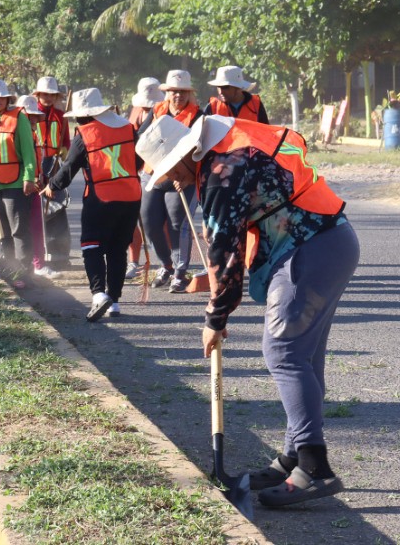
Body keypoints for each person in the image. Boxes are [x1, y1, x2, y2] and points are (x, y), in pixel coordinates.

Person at [136, 114, 359, 507]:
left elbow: (225, 252)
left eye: (171, 170)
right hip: (330, 240)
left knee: (284, 353)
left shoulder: (221, 172)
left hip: (310, 248)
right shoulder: (226, 147)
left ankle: (314, 466)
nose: (171, 180)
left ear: (187, 153)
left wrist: (215, 318)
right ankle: (293, 457)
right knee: (302, 356)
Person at [43, 88, 141, 321]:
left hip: (101, 197)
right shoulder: (129, 128)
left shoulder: (85, 133)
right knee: (118, 249)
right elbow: (138, 160)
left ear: (86, 116)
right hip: (131, 196)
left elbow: (69, 168)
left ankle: (98, 294)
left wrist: (52, 187)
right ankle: (114, 301)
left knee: (91, 245)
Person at [138, 70, 203, 293]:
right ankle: (165, 264)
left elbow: (201, 149)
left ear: (189, 94)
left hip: (182, 178)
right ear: (167, 93)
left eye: (183, 92)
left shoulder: (198, 115)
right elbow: (142, 137)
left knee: (178, 223)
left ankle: (179, 272)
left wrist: (187, 177)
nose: (178, 96)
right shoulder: (157, 110)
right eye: (174, 91)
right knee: (149, 221)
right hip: (153, 172)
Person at [0, 81, 37, 288]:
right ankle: (7, 266)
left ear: (7, 99)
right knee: (0, 230)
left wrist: (29, 177)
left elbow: (29, 151)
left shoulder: (19, 119)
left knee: (18, 229)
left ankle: (23, 271)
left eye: (1, 98)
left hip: (14, 181)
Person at [15, 94, 61, 279]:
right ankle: (15, 262)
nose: (34, 119)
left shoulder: (33, 133)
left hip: (32, 184)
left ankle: (37, 264)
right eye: (30, 116)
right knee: (20, 226)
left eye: (36, 116)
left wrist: (40, 177)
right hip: (18, 186)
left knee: (35, 224)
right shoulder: (15, 133)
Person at [125, 77, 164, 280]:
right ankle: (133, 261)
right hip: (134, 171)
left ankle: (167, 263)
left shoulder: (165, 113)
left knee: (159, 220)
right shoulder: (134, 112)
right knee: (132, 219)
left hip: (158, 171)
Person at [33, 76, 72, 268]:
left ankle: (59, 254)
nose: (48, 98)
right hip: (37, 162)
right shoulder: (31, 113)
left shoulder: (60, 114)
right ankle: (39, 252)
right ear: (38, 95)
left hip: (55, 163)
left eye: (52, 95)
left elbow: (66, 139)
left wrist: (65, 149)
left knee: (58, 205)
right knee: (37, 207)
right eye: (44, 94)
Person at [203, 65, 269, 123]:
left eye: (225, 87)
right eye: (219, 87)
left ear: (238, 88)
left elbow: (266, 132)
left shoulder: (256, 105)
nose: (220, 92)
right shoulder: (213, 107)